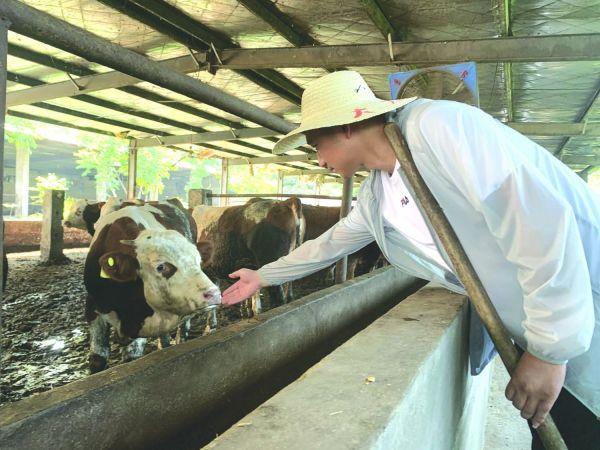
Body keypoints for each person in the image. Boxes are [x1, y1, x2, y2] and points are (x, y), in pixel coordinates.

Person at [221, 70, 600, 448]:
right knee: (560, 431)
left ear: (347, 126)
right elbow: (330, 243)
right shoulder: (376, 196)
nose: (318, 160)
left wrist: (550, 350)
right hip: (533, 327)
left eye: (315, 142)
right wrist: (264, 276)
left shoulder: (438, 127)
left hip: (579, 308)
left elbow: (538, 220)